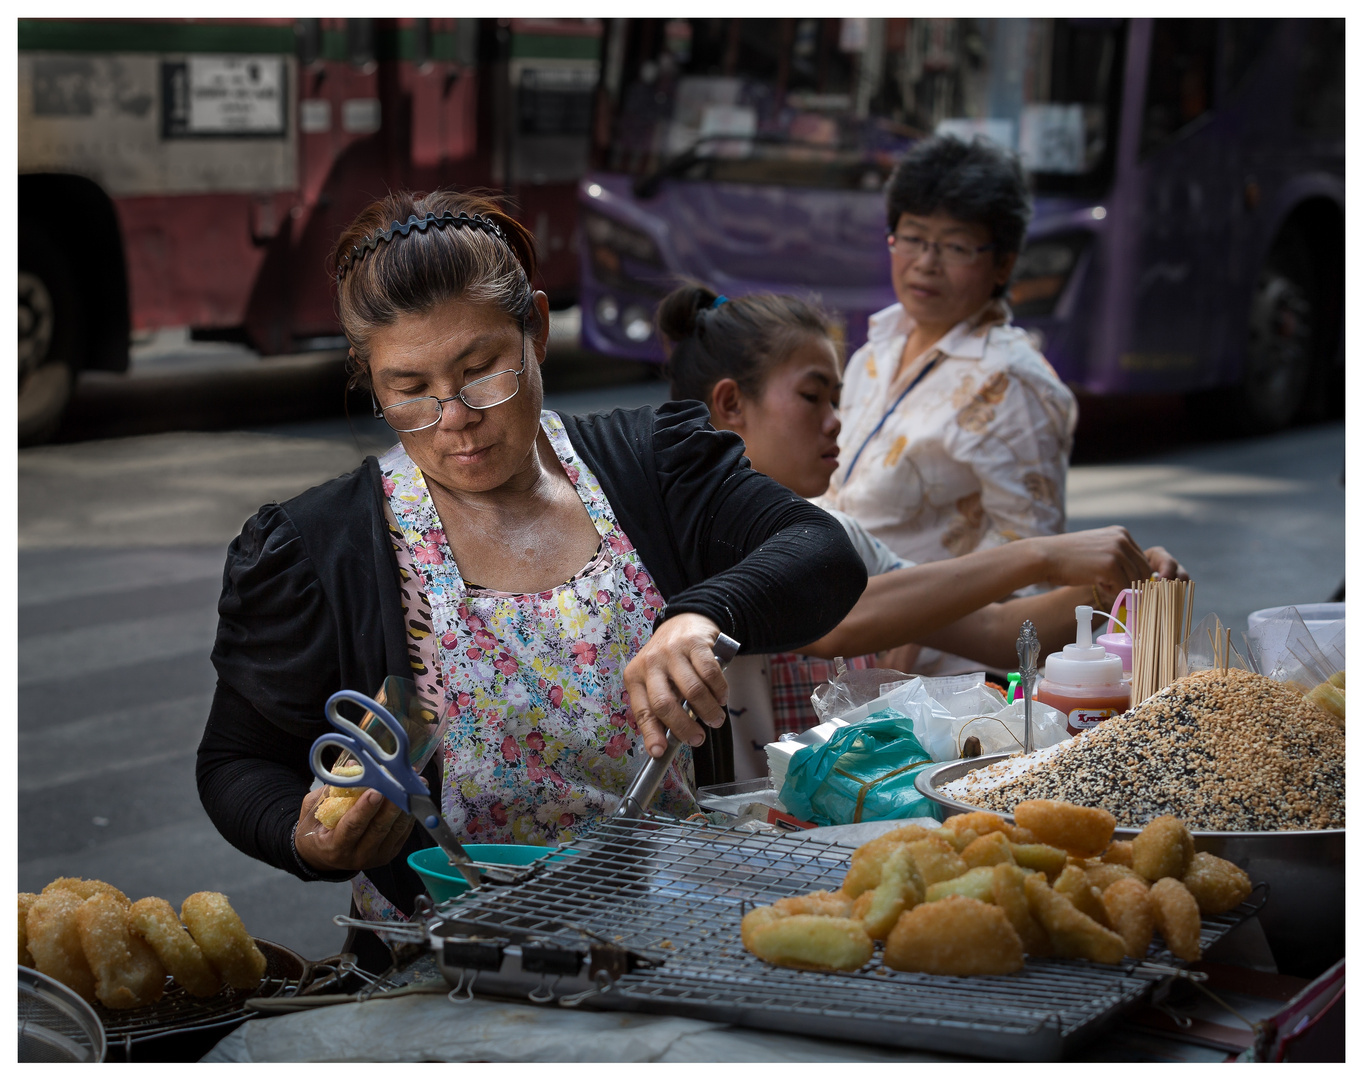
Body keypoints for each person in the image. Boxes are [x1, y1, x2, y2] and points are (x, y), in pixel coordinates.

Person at [196, 192, 867, 970]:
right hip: (441, 980)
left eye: (480, 370)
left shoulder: (649, 466)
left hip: (669, 945)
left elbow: (822, 552)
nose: (454, 417)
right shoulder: (321, 547)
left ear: (536, 331)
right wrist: (306, 836)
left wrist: (698, 616)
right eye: (409, 389)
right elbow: (235, 761)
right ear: (370, 379)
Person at [658, 284, 1185, 778]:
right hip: (734, 841)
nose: (836, 420)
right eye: (812, 396)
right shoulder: (700, 537)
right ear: (730, 404)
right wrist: (1040, 556)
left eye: (838, 400)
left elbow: (996, 632)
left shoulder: (839, 533)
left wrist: (1115, 584)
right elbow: (836, 619)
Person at [819, 134, 1077, 568]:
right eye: (913, 237)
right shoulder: (876, 351)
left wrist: (938, 629)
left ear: (1004, 264)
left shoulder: (1012, 380)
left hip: (927, 632)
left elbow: (1031, 560)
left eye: (955, 246)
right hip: (840, 620)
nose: (926, 262)